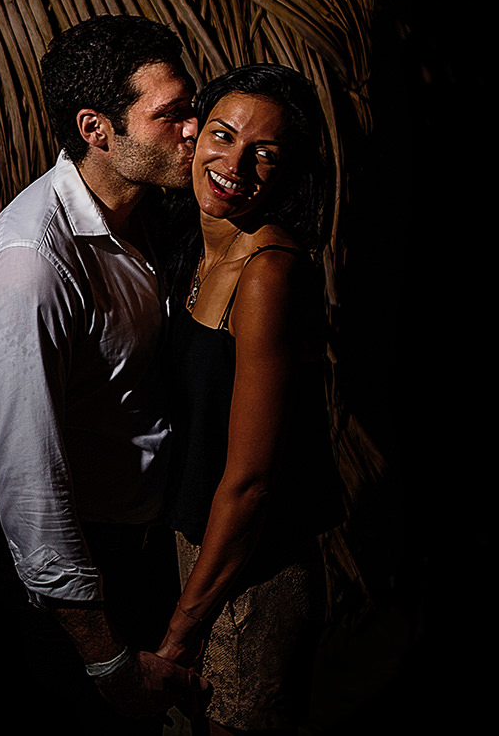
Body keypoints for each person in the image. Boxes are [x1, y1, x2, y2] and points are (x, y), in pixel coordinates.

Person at [0, 15, 207, 720]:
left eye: (190, 106)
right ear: (98, 128)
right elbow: (29, 480)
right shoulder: (31, 267)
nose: (193, 128)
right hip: (77, 581)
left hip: (143, 548)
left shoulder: (154, 213)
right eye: (170, 115)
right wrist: (103, 656)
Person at [153, 64, 345, 734]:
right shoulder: (198, 246)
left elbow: (252, 483)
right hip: (201, 561)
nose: (234, 163)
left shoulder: (267, 275)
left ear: (288, 172)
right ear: (193, 133)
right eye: (223, 134)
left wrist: (182, 627)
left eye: (265, 153)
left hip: (248, 583)